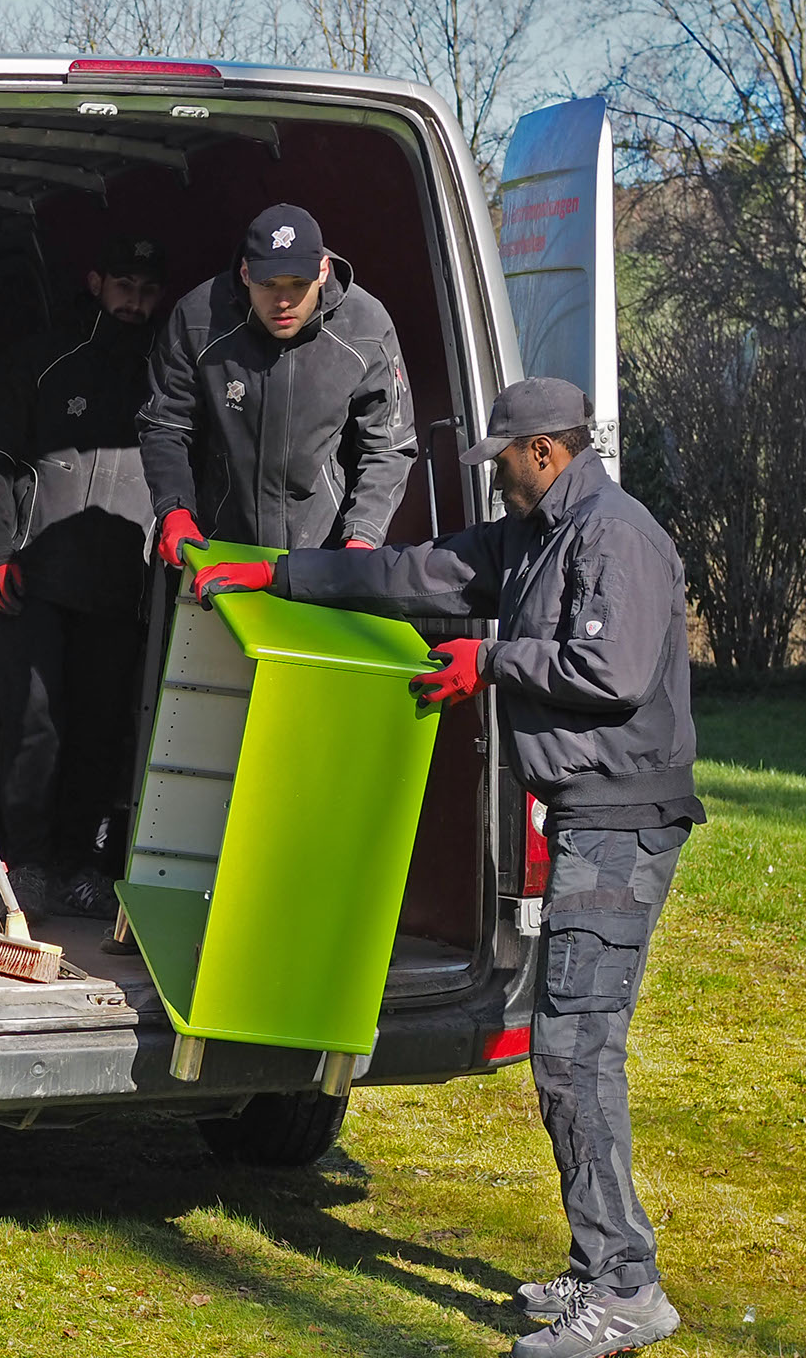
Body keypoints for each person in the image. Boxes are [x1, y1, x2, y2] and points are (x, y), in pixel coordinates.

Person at [189, 377, 699, 1358]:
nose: (493, 477)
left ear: (542, 452)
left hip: (621, 822)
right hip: (590, 814)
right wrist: (278, 579)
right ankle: (606, 1271)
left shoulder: (612, 536)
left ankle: (625, 1288)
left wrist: (489, 661)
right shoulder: (532, 534)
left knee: (574, 1052)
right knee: (569, 1051)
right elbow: (415, 576)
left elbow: (612, 673)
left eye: (500, 459)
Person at [0, 234, 168, 918]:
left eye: (146, 292)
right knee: (34, 728)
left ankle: (82, 862)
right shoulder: (42, 359)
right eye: (124, 288)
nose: (134, 304)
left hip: (121, 588)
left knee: (101, 731)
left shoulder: (165, 377)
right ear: (95, 280)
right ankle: (24, 865)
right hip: (33, 582)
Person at [139, 202, 417, 569]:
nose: (283, 302)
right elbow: (165, 424)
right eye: (267, 285)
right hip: (215, 550)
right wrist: (175, 511)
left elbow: (389, 447)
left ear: (322, 270)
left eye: (298, 285)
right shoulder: (197, 319)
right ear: (244, 273)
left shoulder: (366, 328)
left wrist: (361, 540)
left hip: (322, 559)